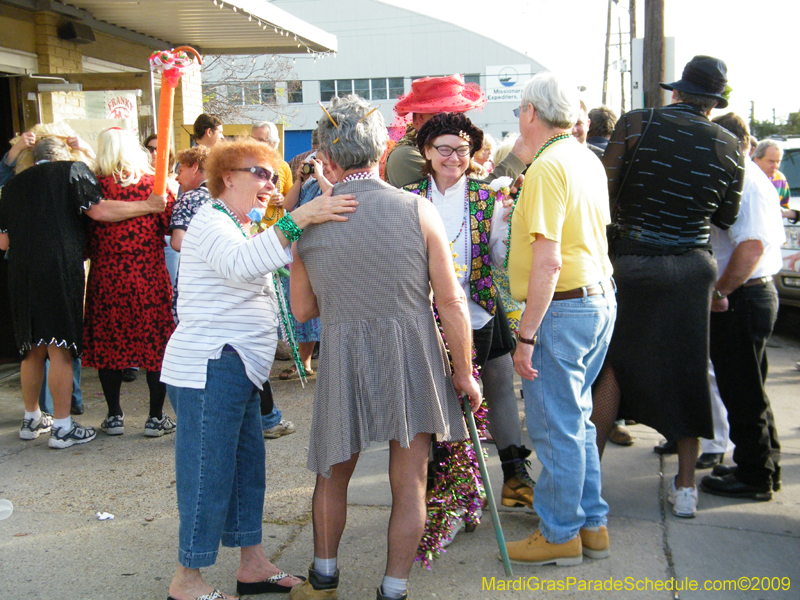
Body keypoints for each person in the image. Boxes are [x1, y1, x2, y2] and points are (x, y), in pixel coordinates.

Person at [288, 95, 481, 600]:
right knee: (409, 480)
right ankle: (393, 590)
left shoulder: (311, 222)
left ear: (326, 159)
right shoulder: (417, 207)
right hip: (412, 352)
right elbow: (451, 300)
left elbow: (303, 311)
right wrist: (465, 372)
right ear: (382, 149)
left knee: (333, 471)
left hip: (344, 351)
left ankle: (324, 577)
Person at [160, 137, 357, 600]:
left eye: (275, 176)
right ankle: (186, 581)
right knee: (208, 473)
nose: (270, 184)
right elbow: (241, 266)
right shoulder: (210, 220)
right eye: (260, 173)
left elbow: (257, 263)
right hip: (211, 364)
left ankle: (252, 565)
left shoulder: (236, 223)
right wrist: (299, 218)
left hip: (238, 366)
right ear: (227, 176)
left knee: (247, 468)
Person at [592, 55, 744, 518]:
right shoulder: (730, 144)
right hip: (692, 270)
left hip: (633, 262)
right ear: (714, 102)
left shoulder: (637, 123)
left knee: (612, 368)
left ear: (676, 92)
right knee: (687, 370)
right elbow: (726, 217)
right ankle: (684, 488)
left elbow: (606, 193)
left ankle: (589, 482)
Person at [504, 72, 616, 566]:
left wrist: (525, 335)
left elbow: (548, 261)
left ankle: (560, 533)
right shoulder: (584, 157)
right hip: (595, 300)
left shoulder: (550, 165)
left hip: (562, 308)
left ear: (530, 112)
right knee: (577, 423)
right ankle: (590, 525)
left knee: (556, 428)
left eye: (518, 112)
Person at [405, 113, 537, 513]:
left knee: (497, 387)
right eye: (443, 149)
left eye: (462, 149)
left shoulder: (487, 196)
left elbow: (500, 256)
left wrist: (513, 226)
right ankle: (445, 488)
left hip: (479, 310)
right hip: (425, 317)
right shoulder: (409, 197)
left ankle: (515, 476)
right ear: (427, 152)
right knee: (439, 404)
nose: (453, 157)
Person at [1, 135, 168, 448]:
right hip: (60, 268)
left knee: (31, 347)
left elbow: (3, 242)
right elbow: (98, 211)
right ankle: (63, 427)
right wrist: (147, 205)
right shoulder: (71, 170)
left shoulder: (12, 186)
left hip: (20, 271)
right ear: (64, 154)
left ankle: (31, 417)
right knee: (59, 346)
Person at [697, 113, 785, 501]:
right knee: (751, 390)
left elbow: (751, 246)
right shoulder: (749, 177)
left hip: (744, 296)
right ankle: (764, 465)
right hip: (753, 294)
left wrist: (719, 292)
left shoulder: (745, 181)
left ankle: (755, 475)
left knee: (743, 392)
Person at [83, 127, 176, 438]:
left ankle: (113, 415)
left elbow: (83, 237)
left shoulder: (93, 188)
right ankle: (155, 416)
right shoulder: (154, 187)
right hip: (148, 273)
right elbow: (170, 224)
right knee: (155, 345)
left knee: (110, 344)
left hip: (106, 276)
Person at [384, 74, 534, 188]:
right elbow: (470, 200)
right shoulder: (405, 156)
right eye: (443, 115)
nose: (454, 122)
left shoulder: (444, 149)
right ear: (420, 119)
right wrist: (514, 162)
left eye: (459, 114)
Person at [753, 139, 798, 221]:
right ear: (757, 160)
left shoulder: (780, 179)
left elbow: (785, 207)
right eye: (771, 161)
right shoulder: (748, 178)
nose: (775, 166)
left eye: (778, 162)